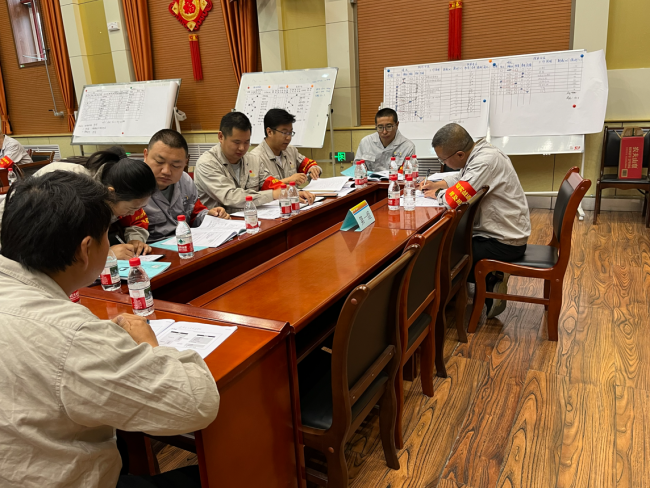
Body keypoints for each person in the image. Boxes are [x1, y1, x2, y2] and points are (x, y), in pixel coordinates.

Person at [0, 171, 219, 487]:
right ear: (86, 249)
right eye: (107, 237)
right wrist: (148, 344)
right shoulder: (73, 334)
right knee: (221, 474)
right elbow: (196, 405)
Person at [421, 123, 531, 318]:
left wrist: (437, 193)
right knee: (446, 247)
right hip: (498, 233)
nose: (443, 162)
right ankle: (480, 281)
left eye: (443, 159)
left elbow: (453, 200)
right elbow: (463, 177)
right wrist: (438, 183)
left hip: (503, 242)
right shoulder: (479, 152)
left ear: (459, 154)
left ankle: (490, 277)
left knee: (441, 255)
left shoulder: (485, 162)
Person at [31, 148, 157, 258]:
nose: (133, 212)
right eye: (131, 209)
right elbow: (59, 248)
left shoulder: (123, 190)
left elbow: (136, 220)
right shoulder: (76, 193)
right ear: (111, 193)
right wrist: (107, 255)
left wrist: (135, 240)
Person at [195, 112, 315, 214]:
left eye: (247, 142)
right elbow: (230, 197)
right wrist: (274, 194)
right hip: (221, 224)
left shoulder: (252, 159)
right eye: (237, 142)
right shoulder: (207, 163)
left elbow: (269, 183)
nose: (242, 148)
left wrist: (293, 192)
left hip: (252, 218)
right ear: (221, 137)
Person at [143, 129, 230, 243]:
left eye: (176, 165)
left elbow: (194, 214)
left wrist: (210, 216)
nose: (166, 171)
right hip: (151, 249)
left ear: (185, 163)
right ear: (146, 155)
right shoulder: (130, 184)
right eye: (159, 162)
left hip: (186, 243)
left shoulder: (185, 181)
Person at [250, 108, 321, 186]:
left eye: (290, 133)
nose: (289, 138)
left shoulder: (290, 150)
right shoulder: (255, 158)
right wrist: (288, 180)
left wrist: (313, 169)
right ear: (269, 132)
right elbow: (258, 189)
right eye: (284, 133)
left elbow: (307, 164)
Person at [354, 108, 415, 172]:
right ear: (376, 126)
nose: (384, 132)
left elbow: (410, 173)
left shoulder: (408, 146)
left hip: (395, 178)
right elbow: (356, 169)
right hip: (370, 178)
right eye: (380, 127)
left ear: (397, 125)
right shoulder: (366, 142)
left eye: (389, 126)